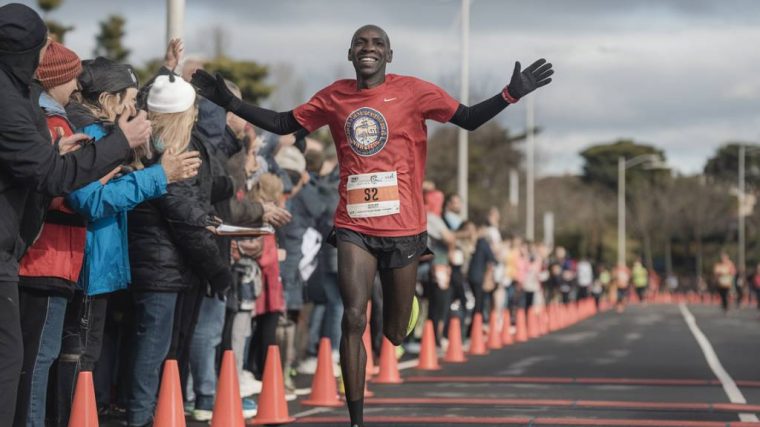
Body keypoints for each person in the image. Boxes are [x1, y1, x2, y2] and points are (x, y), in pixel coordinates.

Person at [192, 24, 553, 427]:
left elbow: (467, 119)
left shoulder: (416, 92)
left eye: (377, 43)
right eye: (361, 43)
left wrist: (510, 94)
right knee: (352, 318)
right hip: (354, 226)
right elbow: (281, 122)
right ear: (350, 55)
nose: (369, 48)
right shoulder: (334, 96)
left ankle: (404, 306)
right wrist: (229, 102)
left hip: (404, 228)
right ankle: (357, 420)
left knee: (395, 335)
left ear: (389, 55)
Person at [0, 5, 151, 417]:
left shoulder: (23, 101)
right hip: (45, 262)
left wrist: (53, 153)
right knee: (26, 363)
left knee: (28, 361)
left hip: (41, 257)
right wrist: (127, 149)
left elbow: (39, 167)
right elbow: (64, 185)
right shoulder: (21, 104)